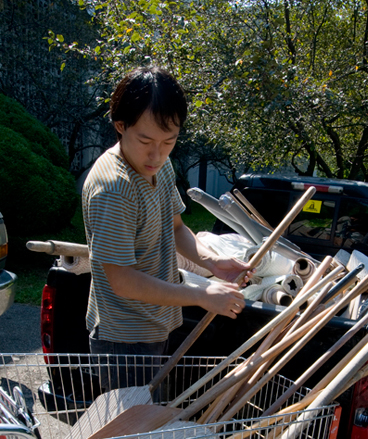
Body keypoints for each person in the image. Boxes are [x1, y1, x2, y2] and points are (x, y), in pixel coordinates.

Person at [82, 66, 252, 389]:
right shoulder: (114, 188)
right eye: (145, 140)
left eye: (168, 141)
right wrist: (202, 294)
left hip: (154, 327)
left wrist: (212, 262)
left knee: (146, 429)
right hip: (124, 341)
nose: (157, 154)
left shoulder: (160, 165)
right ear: (120, 125)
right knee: (131, 436)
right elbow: (123, 280)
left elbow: (175, 228)